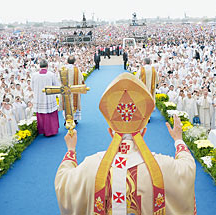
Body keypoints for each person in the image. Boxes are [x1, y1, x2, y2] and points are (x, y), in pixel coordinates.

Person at [55, 73, 196, 214]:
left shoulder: (90, 166)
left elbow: (64, 183)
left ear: (111, 133)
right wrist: (178, 140)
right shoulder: (163, 166)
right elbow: (187, 169)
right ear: (144, 132)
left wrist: (71, 150)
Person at [31, 60, 60, 136]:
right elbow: (57, 86)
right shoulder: (51, 74)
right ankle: (52, 131)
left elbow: (32, 87)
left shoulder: (34, 75)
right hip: (49, 97)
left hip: (39, 97)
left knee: (42, 115)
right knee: (51, 114)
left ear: (39, 66)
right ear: (47, 66)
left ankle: (43, 131)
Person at [61, 56, 84, 124]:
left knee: (66, 105)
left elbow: (59, 79)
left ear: (67, 61)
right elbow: (81, 79)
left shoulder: (63, 69)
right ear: (74, 62)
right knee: (74, 104)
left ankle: (66, 120)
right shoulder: (76, 70)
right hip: (74, 91)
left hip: (65, 90)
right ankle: (75, 119)